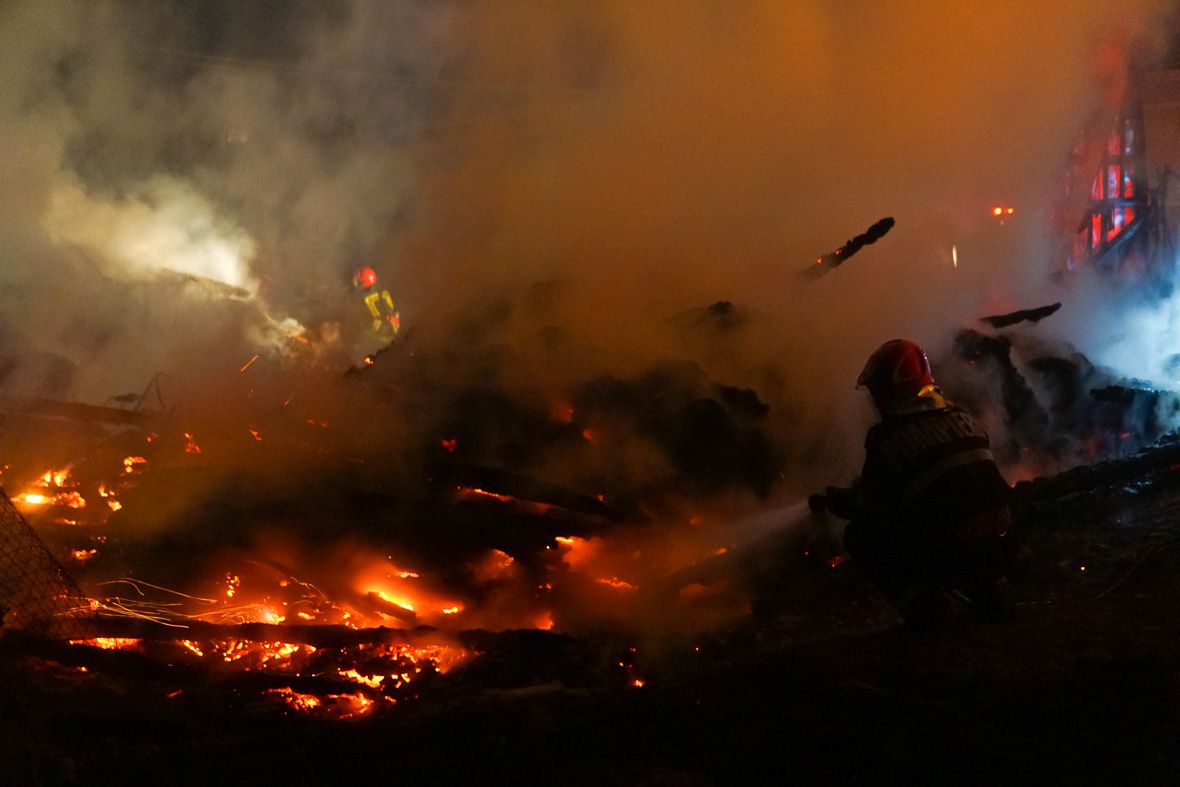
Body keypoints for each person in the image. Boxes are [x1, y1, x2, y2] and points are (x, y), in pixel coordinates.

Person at [811, 339, 1013, 627]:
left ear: (888, 390)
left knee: (861, 535)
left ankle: (927, 607)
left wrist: (838, 502)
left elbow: (873, 509)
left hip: (950, 548)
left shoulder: (888, 437)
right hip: (999, 539)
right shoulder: (962, 417)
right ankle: (991, 588)